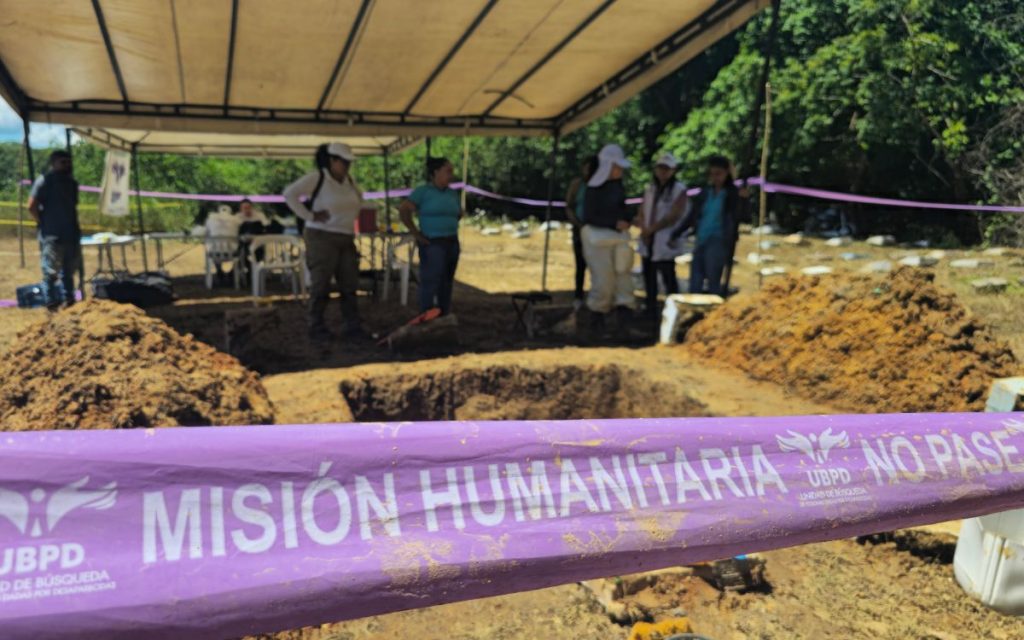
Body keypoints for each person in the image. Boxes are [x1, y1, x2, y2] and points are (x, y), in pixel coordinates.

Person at [283, 142, 364, 340]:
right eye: (343, 162)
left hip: (345, 236)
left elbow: (359, 200)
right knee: (321, 284)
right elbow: (289, 194)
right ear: (331, 161)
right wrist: (309, 216)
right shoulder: (317, 178)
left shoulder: (349, 182)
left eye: (348, 162)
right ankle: (316, 325)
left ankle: (352, 326)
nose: (346, 166)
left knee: (349, 283)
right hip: (322, 236)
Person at [669, 155, 749, 296]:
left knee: (713, 279)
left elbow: (742, 215)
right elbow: (692, 216)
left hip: (719, 241)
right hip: (701, 239)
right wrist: (676, 233)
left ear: (726, 173)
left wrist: (743, 200)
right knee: (695, 279)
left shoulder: (732, 194)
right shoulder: (705, 193)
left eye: (718, 174)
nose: (715, 177)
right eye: (712, 174)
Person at [399, 157, 462, 316]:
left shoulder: (452, 193)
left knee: (446, 281)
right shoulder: (423, 192)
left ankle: (443, 312)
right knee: (431, 280)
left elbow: (458, 213)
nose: (451, 175)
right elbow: (404, 210)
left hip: (452, 241)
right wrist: (416, 233)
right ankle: (425, 314)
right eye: (448, 171)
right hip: (432, 242)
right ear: (436, 173)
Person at [581, 143, 635, 328]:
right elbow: (589, 216)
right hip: (597, 240)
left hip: (618, 238)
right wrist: (613, 223)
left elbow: (622, 208)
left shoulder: (618, 187)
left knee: (623, 278)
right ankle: (596, 321)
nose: (620, 170)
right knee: (603, 280)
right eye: (617, 166)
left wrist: (629, 218)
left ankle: (624, 320)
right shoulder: (592, 189)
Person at [636, 152, 688, 320]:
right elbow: (643, 209)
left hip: (664, 238)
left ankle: (673, 310)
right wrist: (644, 228)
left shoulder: (678, 190)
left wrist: (653, 229)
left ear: (673, 171)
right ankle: (650, 309)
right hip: (648, 239)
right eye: (660, 168)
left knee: (668, 276)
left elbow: (674, 215)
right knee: (648, 275)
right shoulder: (650, 188)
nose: (663, 172)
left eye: (666, 169)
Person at [28, 150, 80, 311]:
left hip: (70, 234)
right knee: (50, 273)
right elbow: (31, 206)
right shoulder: (44, 181)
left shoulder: (71, 183)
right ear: (54, 163)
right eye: (63, 162)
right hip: (52, 235)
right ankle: (51, 305)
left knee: (68, 272)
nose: (67, 165)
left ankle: (69, 302)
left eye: (68, 161)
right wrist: (41, 222)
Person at [564, 156, 598, 308]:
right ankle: (578, 295)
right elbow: (569, 205)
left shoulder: (599, 185)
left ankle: (595, 294)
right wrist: (577, 223)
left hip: (595, 230)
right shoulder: (577, 185)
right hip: (579, 229)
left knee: (596, 264)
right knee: (580, 264)